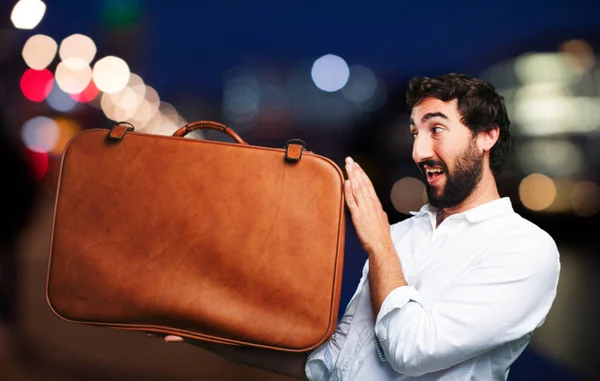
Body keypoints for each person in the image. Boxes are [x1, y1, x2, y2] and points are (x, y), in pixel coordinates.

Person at [160, 73, 561, 380]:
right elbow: (331, 362)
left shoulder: (525, 249)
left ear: (486, 136)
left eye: (437, 129)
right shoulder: (402, 235)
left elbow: (411, 350)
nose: (419, 151)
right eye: (415, 133)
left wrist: (379, 243)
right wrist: (214, 341)